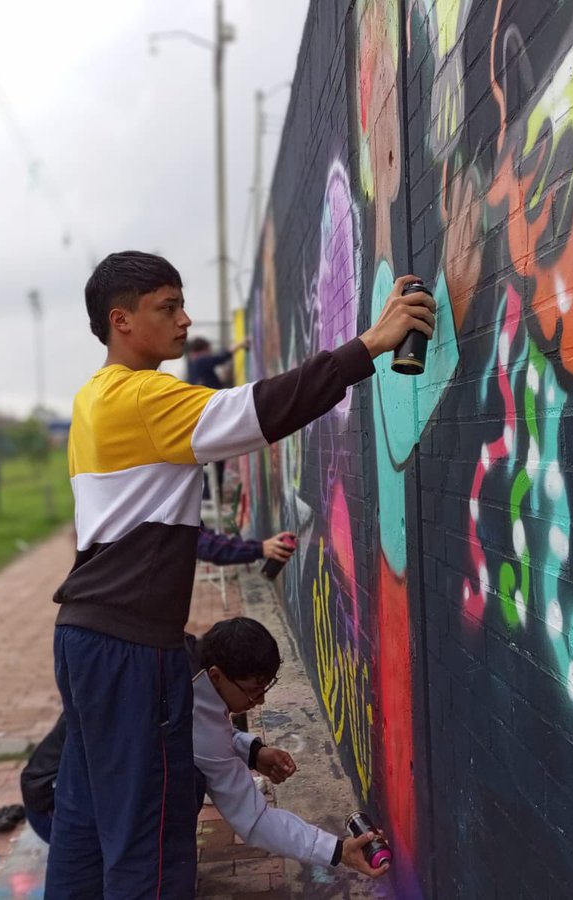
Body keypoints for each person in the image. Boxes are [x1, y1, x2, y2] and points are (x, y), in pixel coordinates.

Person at [48, 250, 432, 897]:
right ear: (122, 320)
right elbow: (261, 411)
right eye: (167, 307)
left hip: (84, 640)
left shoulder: (92, 402)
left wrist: (248, 752)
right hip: (131, 651)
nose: (184, 319)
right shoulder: (142, 397)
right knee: (151, 838)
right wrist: (372, 344)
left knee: (88, 823)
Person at [21, 618, 389, 880]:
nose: (257, 702)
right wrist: (338, 851)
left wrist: (253, 751)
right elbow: (255, 821)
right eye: (252, 690)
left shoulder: (182, 660)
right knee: (187, 785)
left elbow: (206, 735)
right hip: (57, 805)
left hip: (66, 783)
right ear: (216, 675)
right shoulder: (189, 708)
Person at [186, 336, 249, 504]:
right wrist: (240, 344)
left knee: (214, 460)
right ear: (203, 350)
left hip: (206, 418)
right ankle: (211, 495)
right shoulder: (200, 361)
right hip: (212, 416)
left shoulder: (194, 367)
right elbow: (221, 357)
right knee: (217, 460)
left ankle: (211, 495)